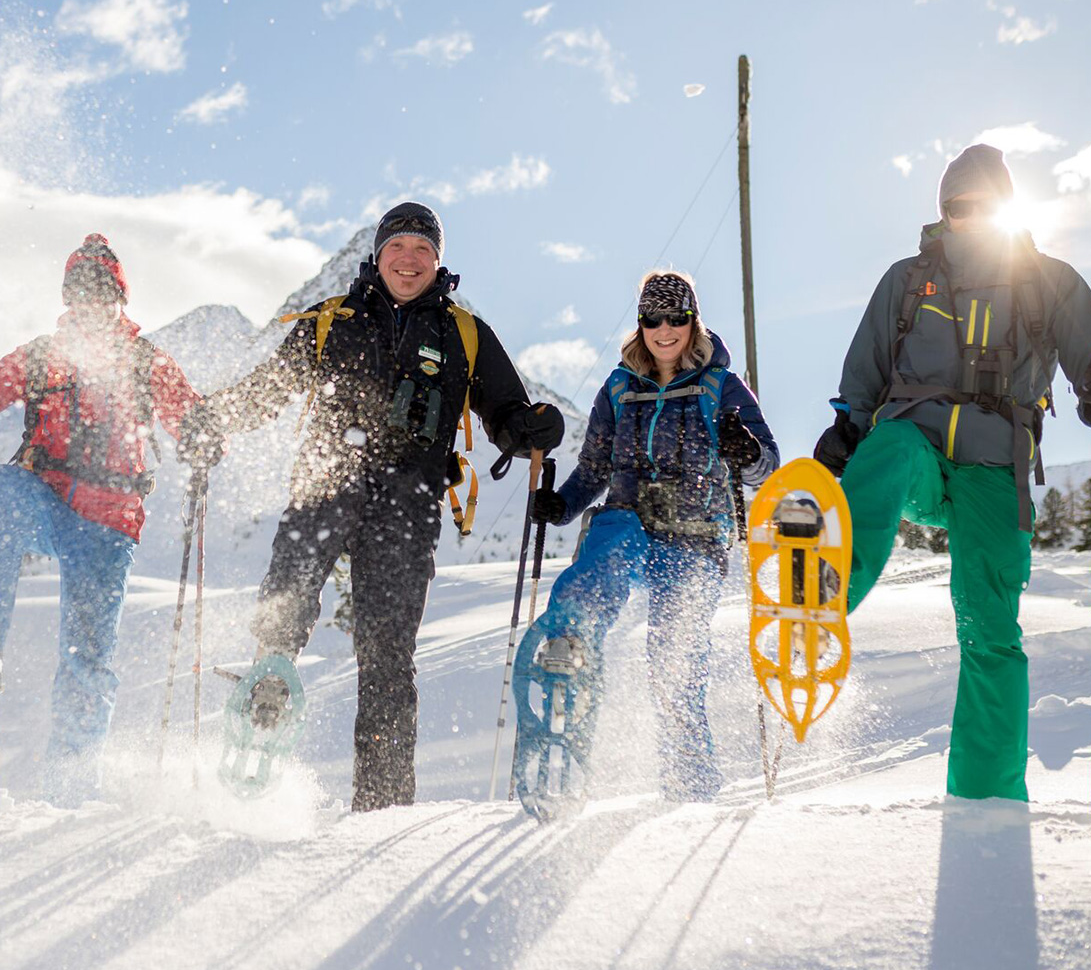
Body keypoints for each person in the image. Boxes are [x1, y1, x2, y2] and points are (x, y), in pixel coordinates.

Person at [179, 201, 564, 811]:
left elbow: (506, 414)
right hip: (326, 481)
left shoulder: (464, 334)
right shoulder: (332, 321)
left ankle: (380, 809)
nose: (409, 261)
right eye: (399, 247)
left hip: (407, 502)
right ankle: (263, 705)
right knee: (286, 606)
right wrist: (215, 419)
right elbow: (270, 388)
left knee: (387, 656)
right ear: (378, 255)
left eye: (423, 251)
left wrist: (532, 428)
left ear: (438, 262)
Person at [813, 143, 1091, 802]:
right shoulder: (907, 280)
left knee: (989, 626)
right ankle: (825, 593)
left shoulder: (1048, 279)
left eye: (983, 206)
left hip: (994, 466)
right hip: (916, 446)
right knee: (887, 450)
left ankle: (987, 801)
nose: (969, 217)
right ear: (942, 212)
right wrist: (847, 425)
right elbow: (864, 370)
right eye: (955, 207)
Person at [528, 269, 779, 801]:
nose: (664, 330)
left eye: (676, 319)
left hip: (697, 539)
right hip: (630, 522)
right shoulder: (619, 387)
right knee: (608, 544)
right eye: (652, 319)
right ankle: (571, 639)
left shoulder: (720, 386)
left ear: (693, 322)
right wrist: (563, 505)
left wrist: (745, 451)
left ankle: (690, 792)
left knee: (676, 664)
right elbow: (594, 468)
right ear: (640, 324)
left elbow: (769, 467)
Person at [0, 234, 203, 804]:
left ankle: (70, 789)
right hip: (43, 497)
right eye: (80, 289)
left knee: (87, 658)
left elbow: (188, 414)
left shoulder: (144, 359)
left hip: (110, 523)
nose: (91, 301)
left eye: (102, 289)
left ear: (120, 297)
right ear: (68, 297)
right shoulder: (42, 354)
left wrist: (204, 434)